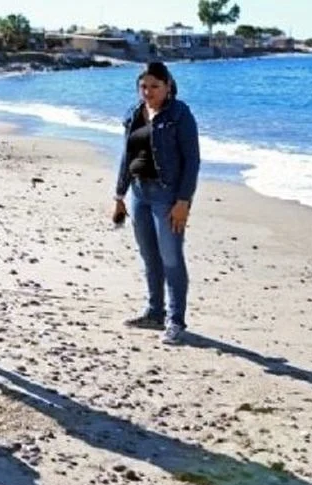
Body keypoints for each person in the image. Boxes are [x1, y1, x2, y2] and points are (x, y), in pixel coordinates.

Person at [112, 62, 200, 345]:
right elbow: (127, 157)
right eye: (143, 87)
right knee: (150, 256)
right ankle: (154, 312)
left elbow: (192, 161)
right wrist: (119, 195)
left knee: (171, 258)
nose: (148, 92)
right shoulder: (134, 114)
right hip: (139, 194)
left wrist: (183, 201)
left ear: (168, 86)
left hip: (167, 196)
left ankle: (176, 321)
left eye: (154, 87)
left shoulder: (179, 114)